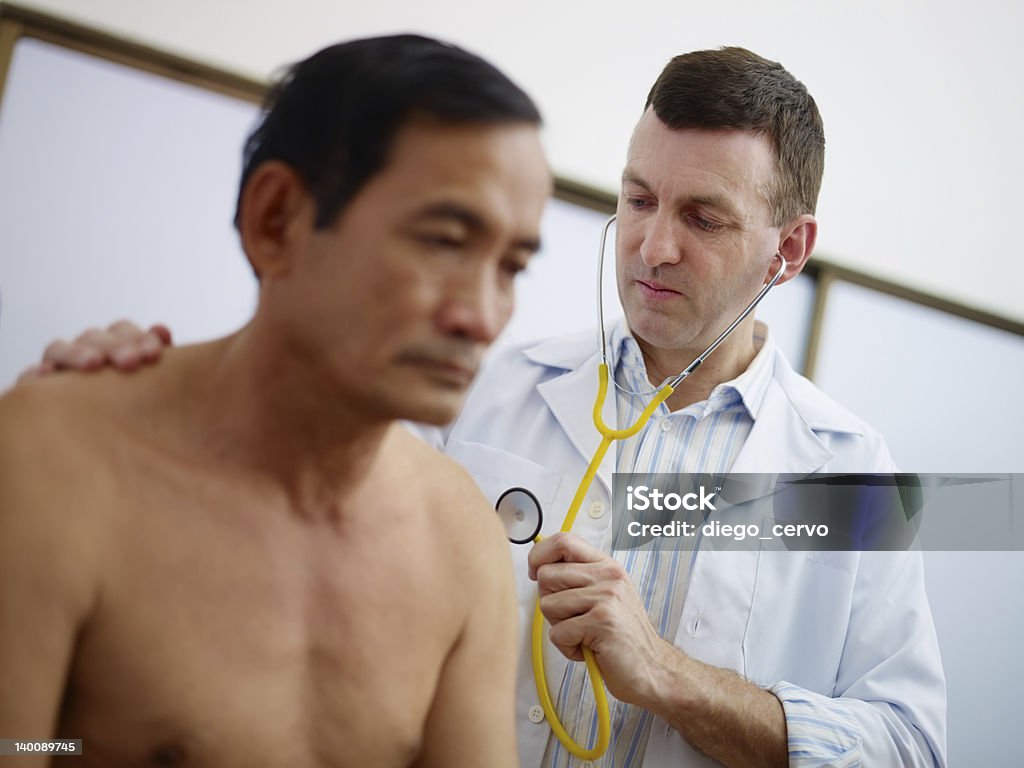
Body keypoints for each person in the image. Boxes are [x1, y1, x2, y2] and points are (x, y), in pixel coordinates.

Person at [23, 48, 947, 768]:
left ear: (789, 250)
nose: (652, 246)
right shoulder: (466, 393)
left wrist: (671, 679)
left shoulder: (852, 477)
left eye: (704, 219)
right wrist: (125, 406)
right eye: (637, 200)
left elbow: (912, 746)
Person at [0, 34, 552, 767]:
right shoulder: (53, 463)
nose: (481, 317)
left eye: (511, 266)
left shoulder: (462, 541)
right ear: (277, 220)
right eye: (445, 241)